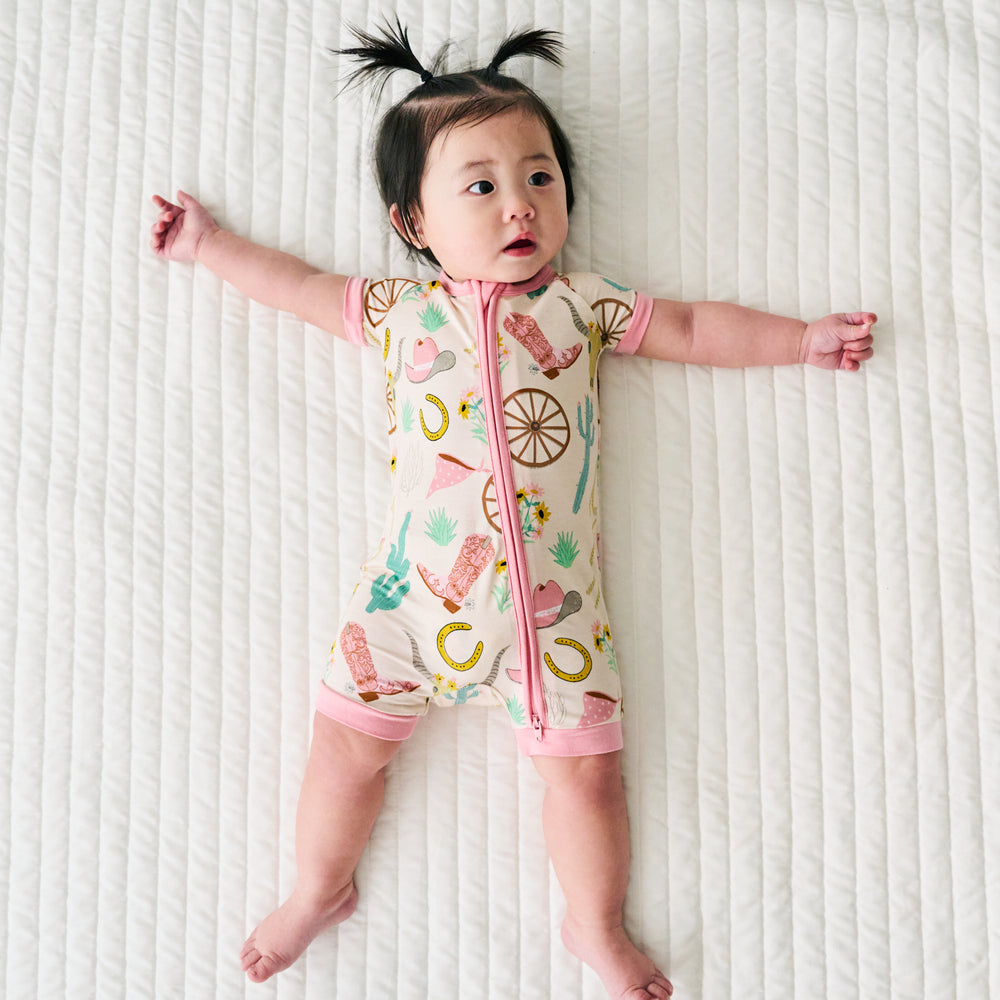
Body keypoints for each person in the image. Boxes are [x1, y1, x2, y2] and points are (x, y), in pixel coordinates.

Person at [150, 21, 874, 1000]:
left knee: (585, 781)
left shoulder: (584, 305)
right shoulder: (393, 312)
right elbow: (295, 285)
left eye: (540, 177)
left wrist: (802, 339)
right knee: (340, 749)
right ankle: (316, 888)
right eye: (480, 185)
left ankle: (594, 922)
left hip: (556, 623)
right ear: (414, 223)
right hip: (403, 607)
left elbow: (700, 326)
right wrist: (207, 244)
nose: (518, 204)